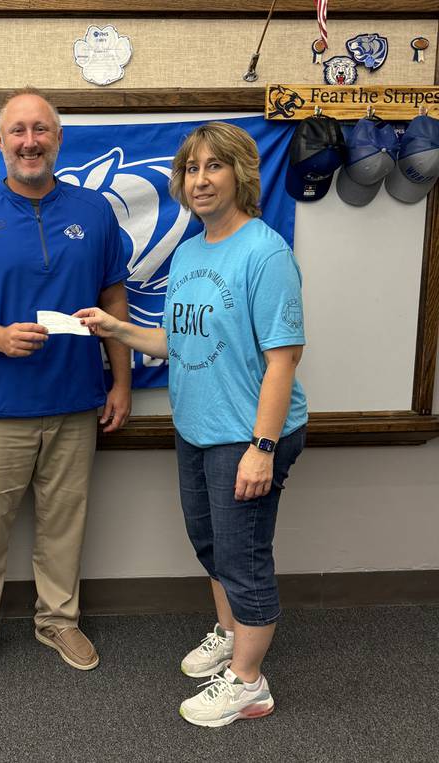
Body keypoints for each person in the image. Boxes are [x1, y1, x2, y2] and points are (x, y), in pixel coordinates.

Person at [75, 121, 307, 727]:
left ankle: (250, 684)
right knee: (211, 548)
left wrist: (262, 446)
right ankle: (231, 634)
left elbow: (284, 358)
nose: (199, 180)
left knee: (243, 556)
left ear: (241, 175)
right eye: (190, 169)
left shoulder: (264, 251)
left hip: (248, 432)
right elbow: (178, 339)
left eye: (213, 166)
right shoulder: (189, 252)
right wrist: (115, 328)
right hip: (198, 427)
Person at [0, 87, 131, 688]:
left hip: (75, 402)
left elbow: (113, 300)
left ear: (59, 139)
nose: (30, 142)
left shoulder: (95, 213)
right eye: (17, 131)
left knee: (65, 521)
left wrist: (120, 382)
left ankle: (57, 619)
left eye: (41, 130)